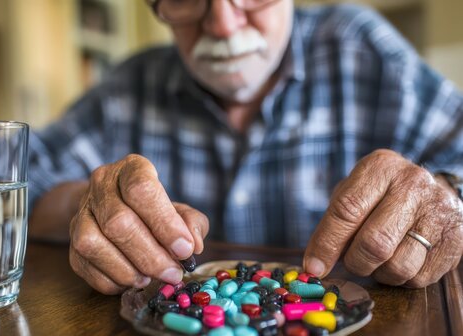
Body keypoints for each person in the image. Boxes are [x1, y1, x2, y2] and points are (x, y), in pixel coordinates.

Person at [27, 0, 463, 295]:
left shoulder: (364, 50)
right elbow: (7, 184)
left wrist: (445, 197)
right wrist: (88, 206)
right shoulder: (127, 90)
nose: (222, 23)